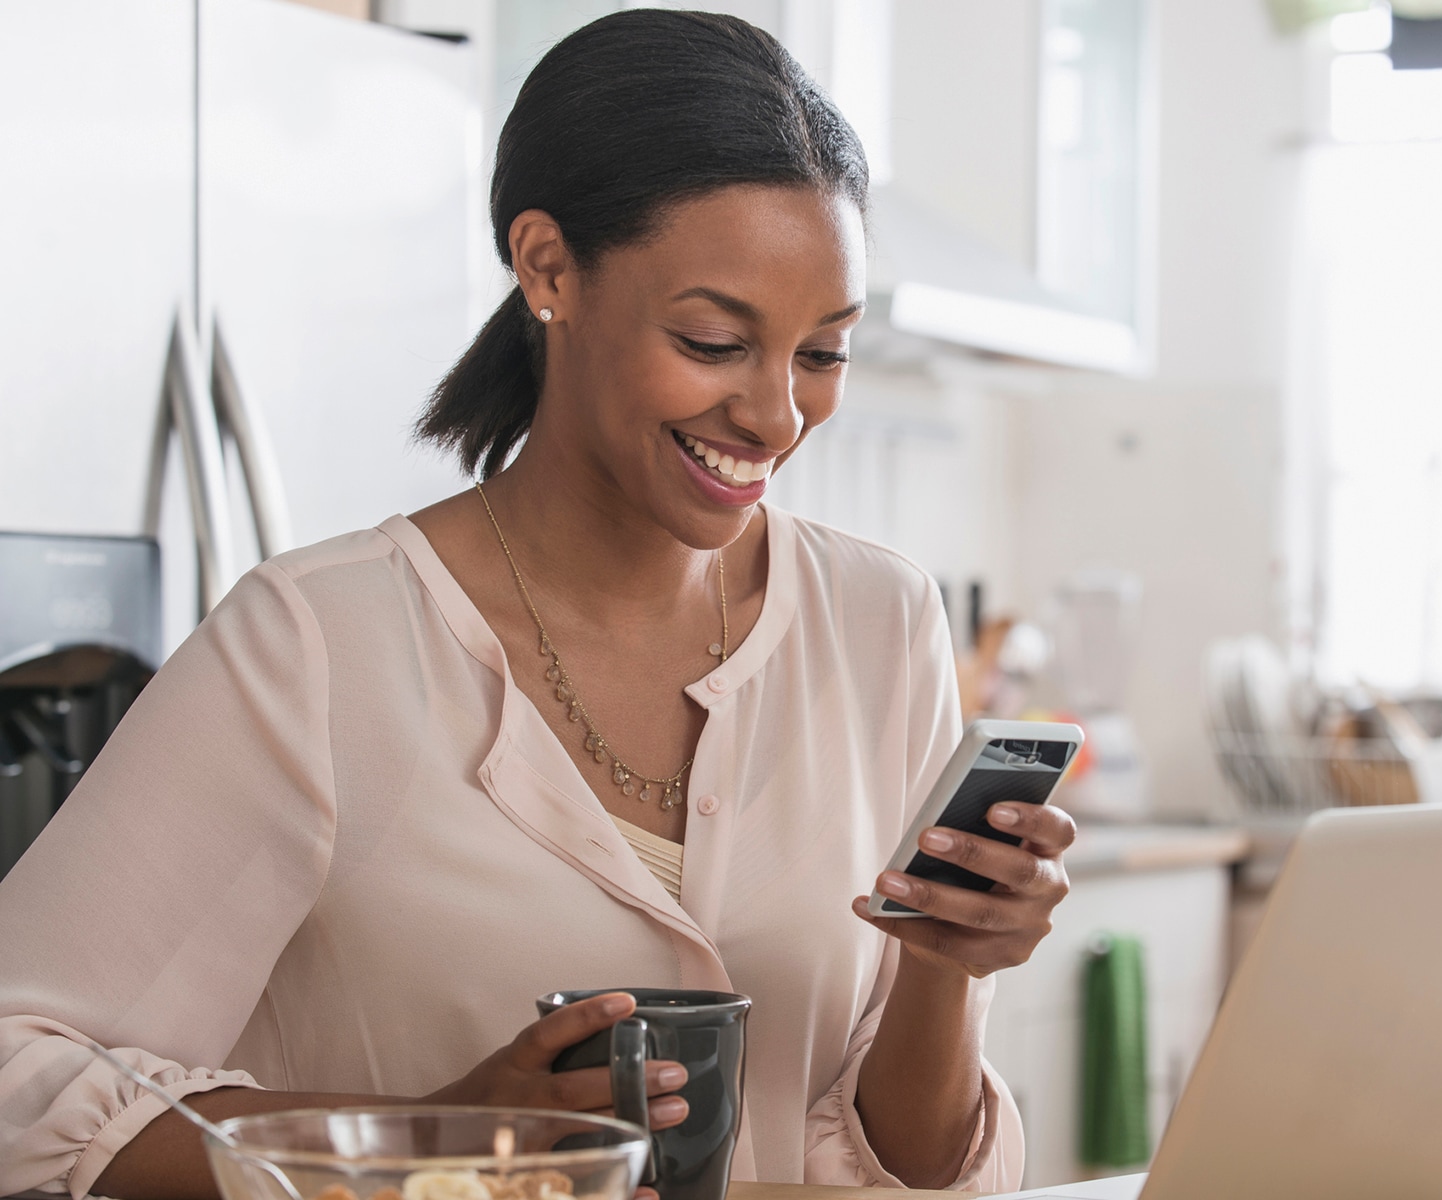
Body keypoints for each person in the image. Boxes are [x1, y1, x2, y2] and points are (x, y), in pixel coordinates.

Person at [0, 11, 1075, 1198]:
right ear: (548, 267)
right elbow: (17, 1072)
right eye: (713, 340)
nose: (775, 416)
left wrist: (947, 966)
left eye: (821, 354)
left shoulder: (880, 619)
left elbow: (905, 1166)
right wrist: (434, 1134)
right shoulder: (314, 643)